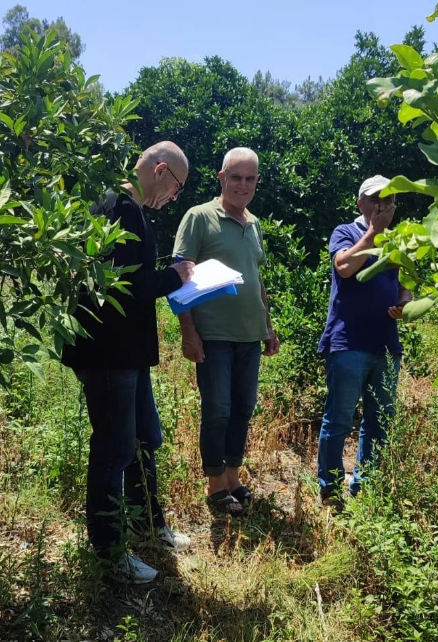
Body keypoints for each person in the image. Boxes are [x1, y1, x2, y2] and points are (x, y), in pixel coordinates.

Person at [62, 141, 195, 583]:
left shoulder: (116, 203)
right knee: (114, 450)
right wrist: (173, 277)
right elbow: (123, 288)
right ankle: (109, 554)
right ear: (160, 170)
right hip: (109, 354)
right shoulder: (121, 207)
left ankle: (147, 525)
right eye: (176, 188)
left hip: (125, 354)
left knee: (143, 440)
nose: (173, 198)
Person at [173, 147, 280, 517]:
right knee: (217, 409)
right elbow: (180, 274)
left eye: (250, 179)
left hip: (250, 335)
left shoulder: (254, 224)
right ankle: (215, 483)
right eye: (236, 177)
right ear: (222, 178)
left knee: (243, 409)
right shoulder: (199, 217)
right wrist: (189, 333)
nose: (243, 185)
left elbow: (256, 277)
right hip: (214, 334)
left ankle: (233, 476)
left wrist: (268, 326)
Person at [317, 175, 411, 509]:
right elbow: (344, 267)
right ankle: (329, 488)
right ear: (361, 203)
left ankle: (364, 488)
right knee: (340, 418)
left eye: (389, 200)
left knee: (379, 420)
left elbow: (405, 284)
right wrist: (373, 232)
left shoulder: (400, 242)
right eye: (375, 199)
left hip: (385, 343)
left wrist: (404, 301)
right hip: (349, 342)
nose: (382, 206)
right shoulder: (347, 232)